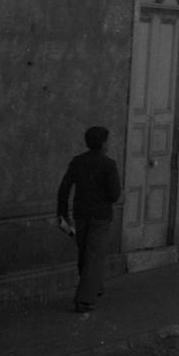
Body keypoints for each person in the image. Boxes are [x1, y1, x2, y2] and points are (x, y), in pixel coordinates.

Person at [56, 126, 122, 313]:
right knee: (94, 256)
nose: (109, 144)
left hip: (81, 215)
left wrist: (62, 215)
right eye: (108, 141)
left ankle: (95, 287)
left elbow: (64, 189)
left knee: (85, 253)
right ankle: (85, 299)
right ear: (103, 144)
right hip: (101, 217)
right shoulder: (109, 164)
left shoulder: (77, 162)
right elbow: (115, 194)